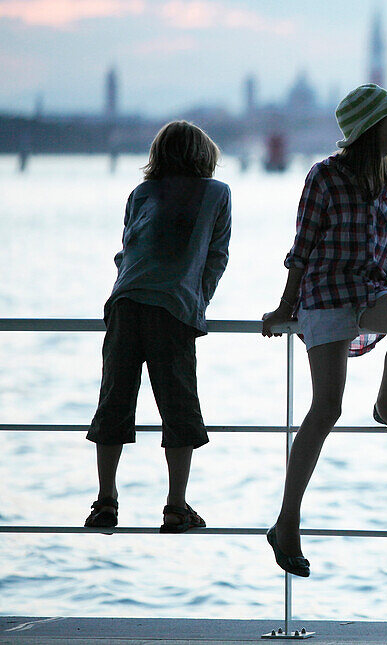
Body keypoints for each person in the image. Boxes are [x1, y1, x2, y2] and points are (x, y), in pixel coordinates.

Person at [260, 84, 387, 578]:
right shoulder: (323, 177)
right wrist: (285, 307)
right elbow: (301, 248)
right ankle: (287, 522)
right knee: (326, 408)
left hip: (368, 291)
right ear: (372, 129)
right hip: (322, 293)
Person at [85, 121, 232, 534]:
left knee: (114, 401)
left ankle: (106, 503)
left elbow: (128, 248)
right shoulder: (217, 193)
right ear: (203, 155)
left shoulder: (141, 193)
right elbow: (216, 257)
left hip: (125, 303)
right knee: (179, 408)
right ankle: (176, 506)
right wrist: (195, 303)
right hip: (173, 309)